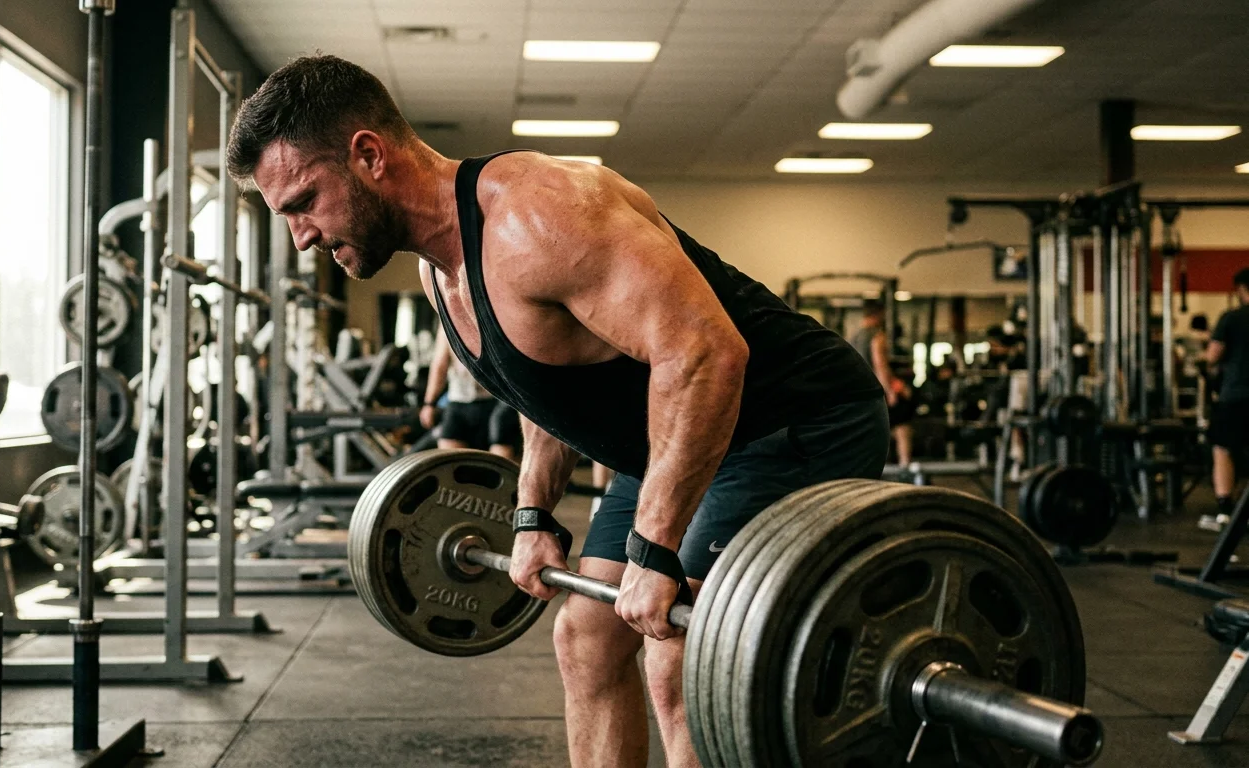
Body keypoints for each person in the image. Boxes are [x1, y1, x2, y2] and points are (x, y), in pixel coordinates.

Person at [226, 55, 888, 768]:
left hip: (789, 420)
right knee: (587, 640)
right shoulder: (440, 267)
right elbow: (542, 390)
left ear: (367, 155)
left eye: (302, 203)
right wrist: (533, 515)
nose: (301, 236)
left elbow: (706, 355)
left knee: (681, 651)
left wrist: (657, 549)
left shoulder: (540, 216)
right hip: (670, 436)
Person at [420, 327, 520, 460]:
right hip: (460, 404)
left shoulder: (500, 317)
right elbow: (440, 365)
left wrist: (430, 404)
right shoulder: (447, 322)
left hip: (496, 405)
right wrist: (429, 403)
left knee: (501, 468)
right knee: (451, 465)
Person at [1200, 269, 1249, 531]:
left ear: (1242, 289)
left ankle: (1225, 510)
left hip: (1236, 394)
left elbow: (1213, 355)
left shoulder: (1232, 318)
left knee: (1223, 450)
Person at [850, 302, 912, 466]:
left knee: (870, 430)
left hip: (860, 391)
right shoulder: (877, 335)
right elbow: (880, 365)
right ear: (879, 314)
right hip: (877, 390)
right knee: (902, 426)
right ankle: (905, 467)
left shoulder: (853, 337)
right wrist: (891, 391)